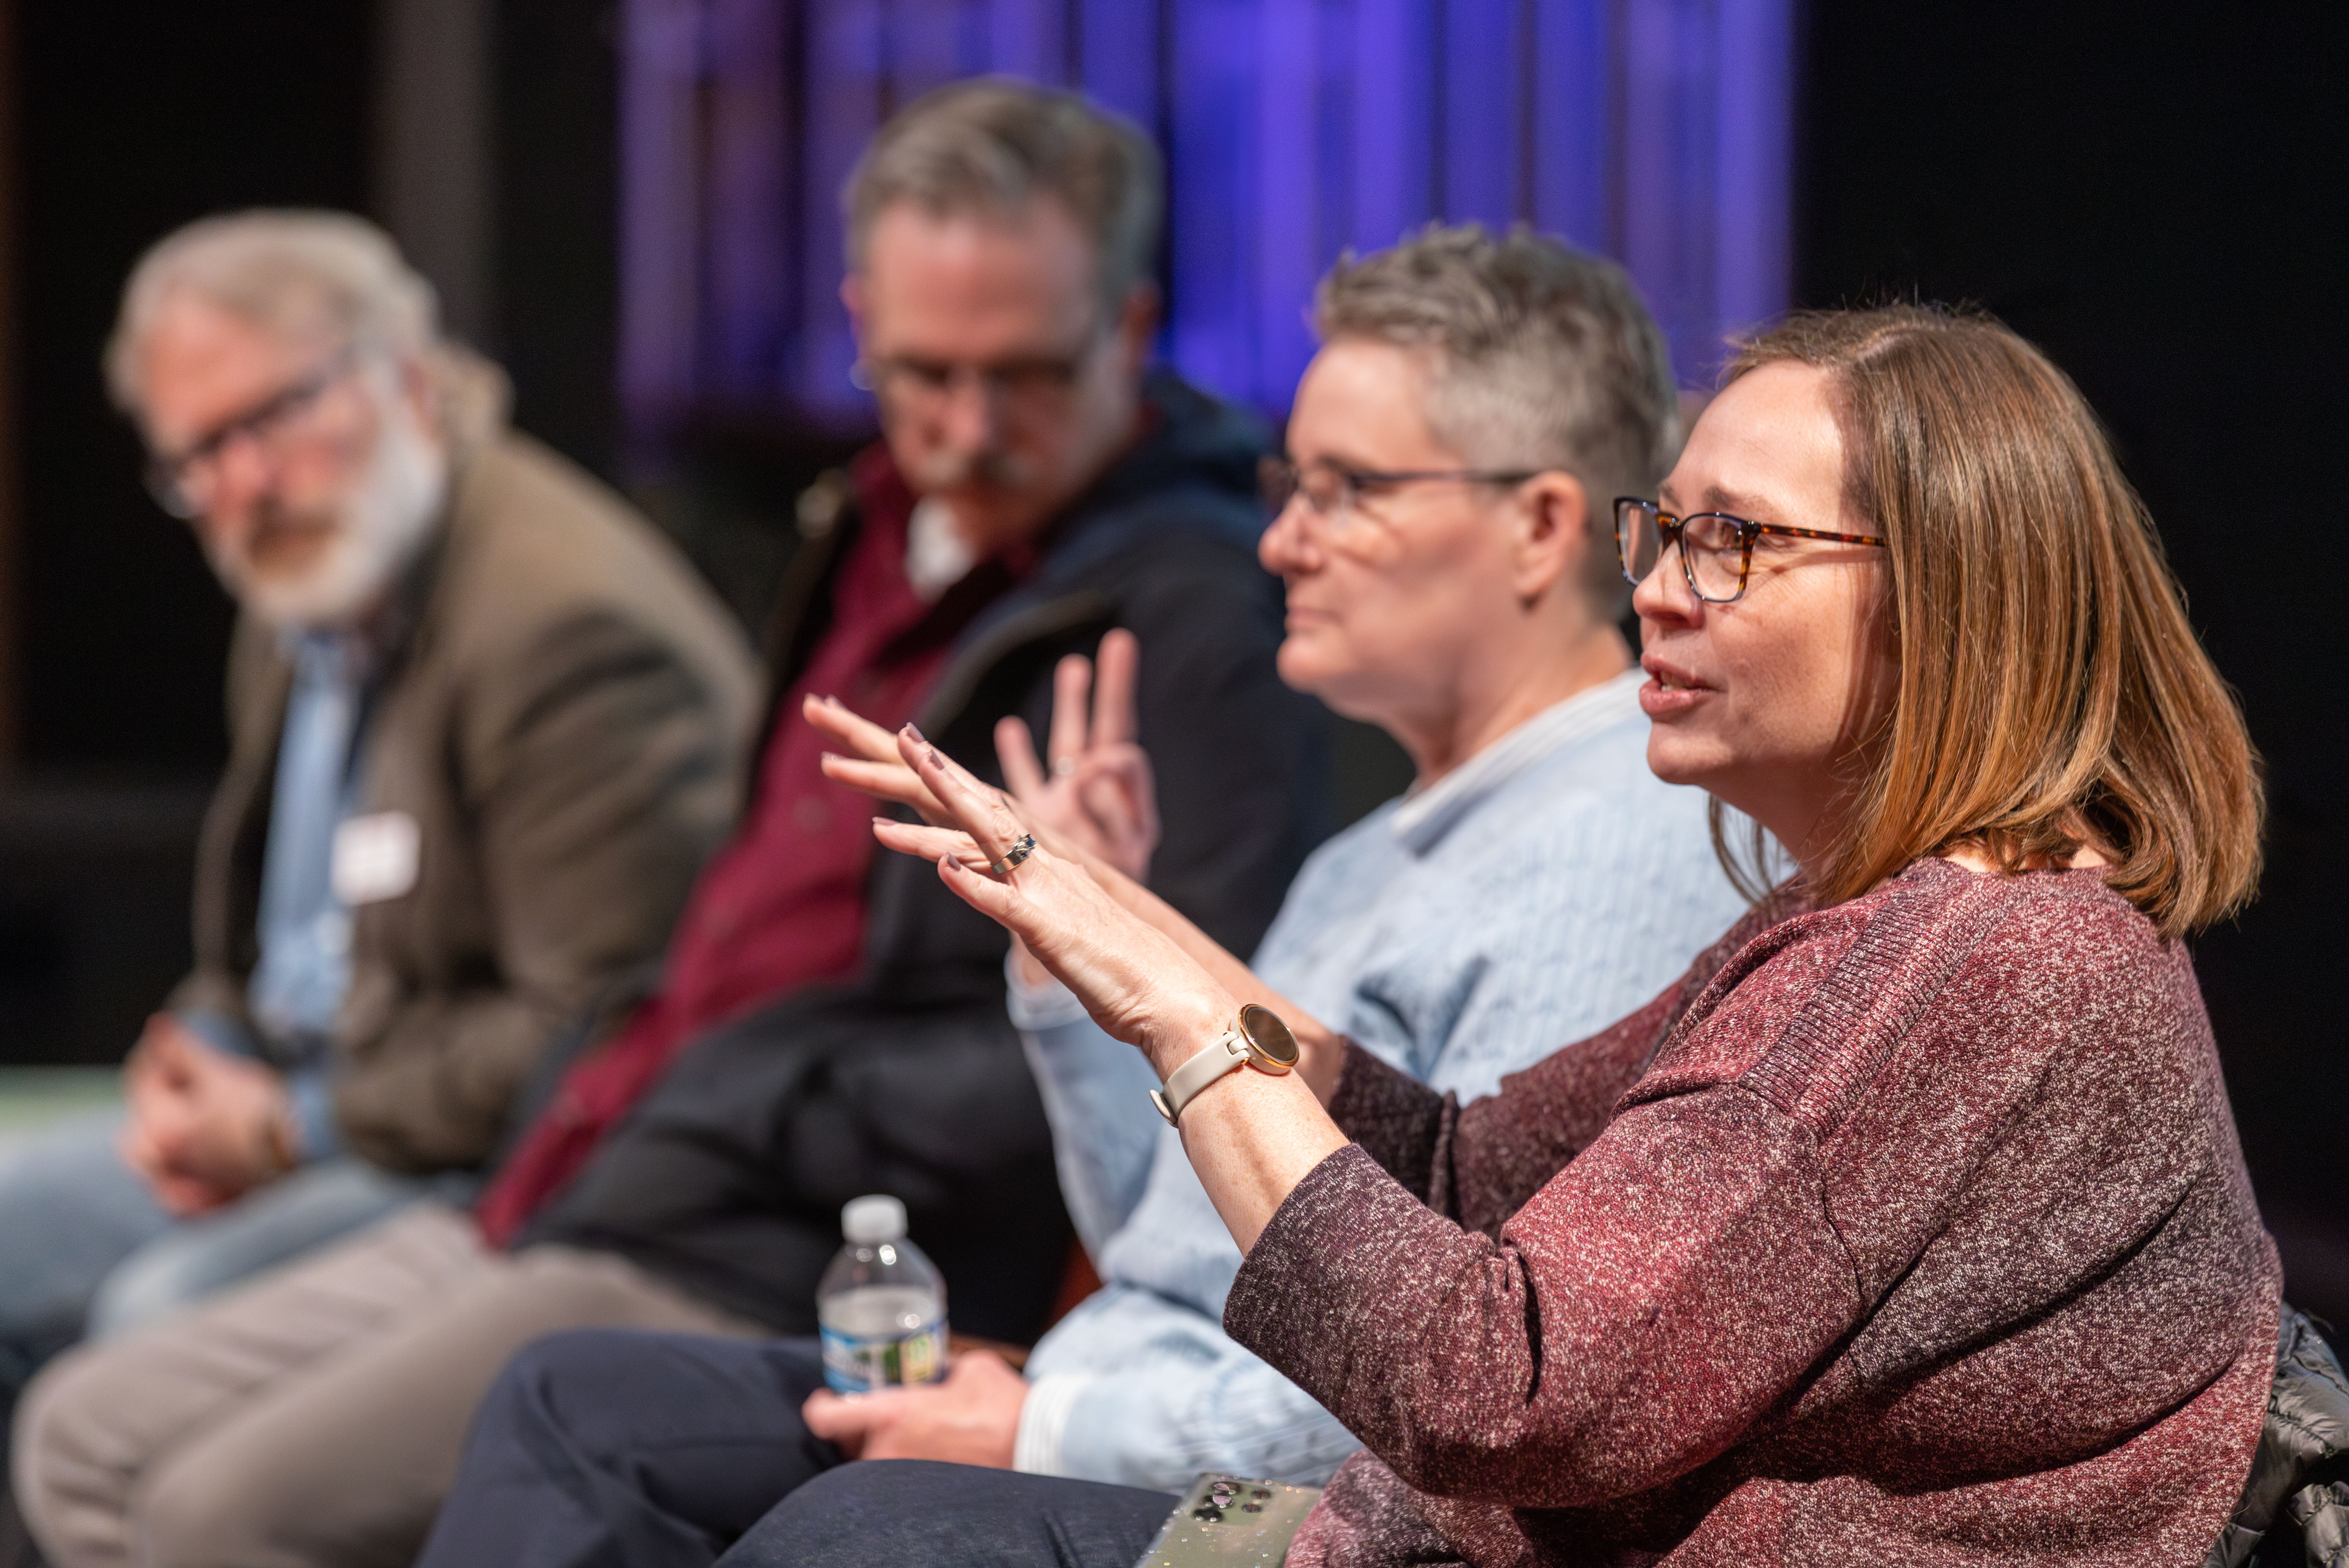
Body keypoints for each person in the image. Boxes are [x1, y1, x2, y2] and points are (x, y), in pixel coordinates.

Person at [724, 302, 2286, 1567]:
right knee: (826, 1504)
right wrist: (1115, 924)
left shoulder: (1985, 961)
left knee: (875, 1535)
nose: (1662, 590)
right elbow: (1469, 1168)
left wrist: (1189, 1030)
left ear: (1951, 596)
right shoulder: (1881, 914)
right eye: (1665, 530)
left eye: (1733, 543)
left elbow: (1495, 1396)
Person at [12, 79, 1327, 1568]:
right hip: (625, 1156)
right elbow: (705, 938)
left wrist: (762, 1105)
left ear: (1133, 331)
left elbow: (1191, 1038)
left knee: (213, 1499)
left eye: (1021, 374)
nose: (965, 427)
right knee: (87, 1433)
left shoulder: (1192, 616)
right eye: (920, 375)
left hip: (811, 1233)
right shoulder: (877, 523)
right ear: (856, 323)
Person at [411, 224, 1753, 1568]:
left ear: (1539, 525)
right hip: (1130, 1393)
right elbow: (1168, 1238)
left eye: (1345, 489)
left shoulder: (1612, 850)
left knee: (860, 1535)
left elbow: (1465, 1375)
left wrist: (1051, 1426)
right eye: (1293, 481)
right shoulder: (1369, 852)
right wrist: (1070, 955)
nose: (1281, 540)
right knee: (578, 1398)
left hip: (1286, 1493)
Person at [0, 211, 760, 1430]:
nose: (243, 485)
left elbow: (601, 1034)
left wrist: (295, 1125)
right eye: (198, 455)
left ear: (406, 373)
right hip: (313, 1103)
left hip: (487, 1164)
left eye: (272, 419)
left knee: (153, 1326)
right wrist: (203, 1046)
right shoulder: (308, 571)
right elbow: (284, 931)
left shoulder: (562, 629)